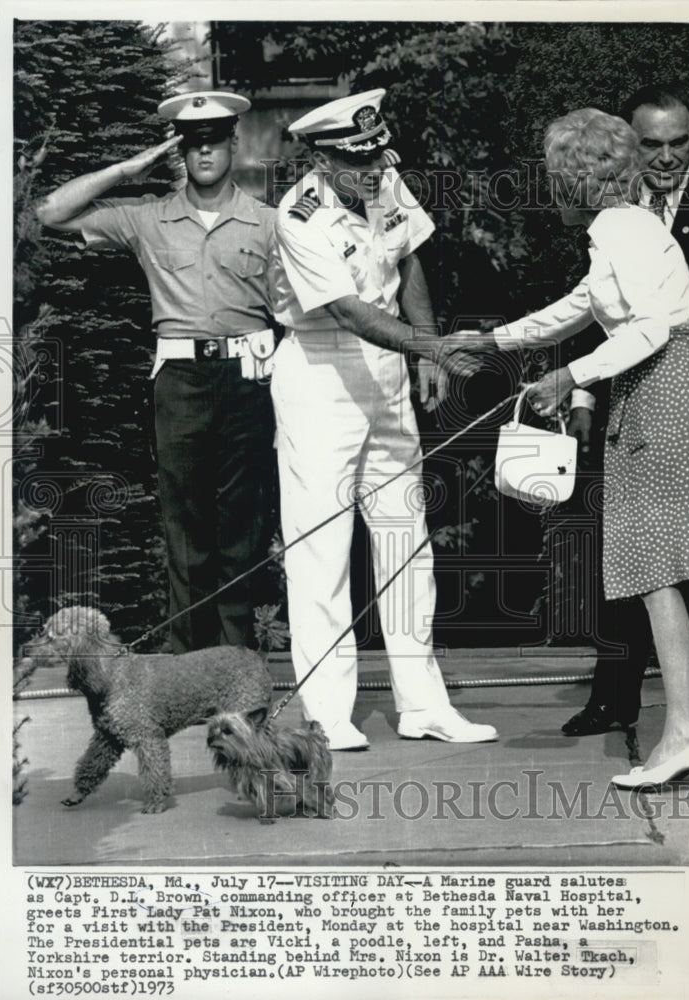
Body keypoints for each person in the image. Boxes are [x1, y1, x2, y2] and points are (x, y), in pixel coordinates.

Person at [463, 108, 689, 787]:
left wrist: (571, 375)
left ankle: (681, 733)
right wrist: (493, 342)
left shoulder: (618, 227)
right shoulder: (624, 226)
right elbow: (578, 305)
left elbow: (654, 325)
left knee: (652, 568)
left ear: (575, 182)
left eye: (554, 177)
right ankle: (685, 727)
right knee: (656, 571)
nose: (549, 189)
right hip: (648, 392)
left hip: (656, 395)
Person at [269, 88, 498, 750]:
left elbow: (409, 255)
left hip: (391, 364)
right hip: (321, 372)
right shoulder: (299, 215)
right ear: (319, 159)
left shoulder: (383, 179)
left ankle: (423, 705)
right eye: (356, 162)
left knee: (405, 537)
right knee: (321, 548)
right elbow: (345, 311)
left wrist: (423, 346)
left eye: (376, 156)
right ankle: (327, 713)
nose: (373, 171)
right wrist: (434, 347)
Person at [36, 92, 277, 653]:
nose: (205, 151)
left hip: (249, 377)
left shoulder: (269, 221)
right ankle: (186, 660)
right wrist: (127, 168)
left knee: (242, 525)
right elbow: (49, 213)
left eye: (215, 138)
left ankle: (236, 660)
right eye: (193, 142)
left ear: (233, 142)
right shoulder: (148, 217)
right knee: (184, 526)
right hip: (180, 381)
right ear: (180, 150)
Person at [562, 85, 689, 737]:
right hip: (633, 394)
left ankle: (688, 718)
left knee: (682, 557)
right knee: (628, 550)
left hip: (688, 395)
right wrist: (582, 393)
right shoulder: (610, 210)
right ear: (628, 145)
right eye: (652, 145)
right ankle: (613, 696)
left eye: (679, 143)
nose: (667, 158)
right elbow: (593, 312)